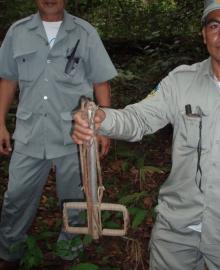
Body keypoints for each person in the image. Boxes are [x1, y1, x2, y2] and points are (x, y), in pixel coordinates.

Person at [72, 0, 220, 269]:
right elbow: (139, 118)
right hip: (175, 230)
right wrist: (101, 118)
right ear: (204, 34)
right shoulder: (180, 82)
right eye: (215, 25)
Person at [0, 0, 117, 269]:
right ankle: (10, 252)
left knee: (76, 199)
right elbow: (8, 79)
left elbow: (101, 81)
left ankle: (68, 252)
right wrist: (0, 123)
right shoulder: (18, 32)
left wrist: (104, 127)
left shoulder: (85, 33)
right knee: (16, 198)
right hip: (30, 133)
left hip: (75, 136)